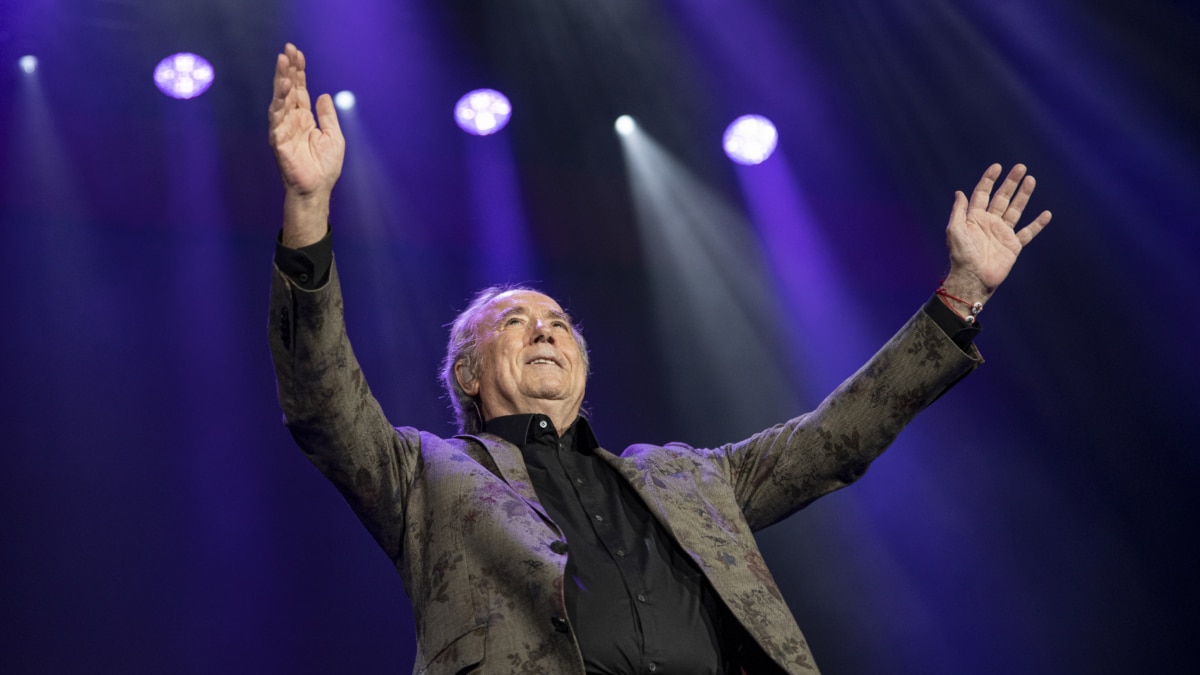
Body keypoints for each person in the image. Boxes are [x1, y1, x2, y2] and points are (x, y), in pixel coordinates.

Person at [266, 43, 1051, 675]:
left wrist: (958, 296)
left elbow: (833, 438)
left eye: (560, 321)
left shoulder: (688, 477)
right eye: (514, 320)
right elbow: (322, 399)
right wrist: (308, 208)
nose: (546, 331)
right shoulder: (424, 475)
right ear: (466, 375)